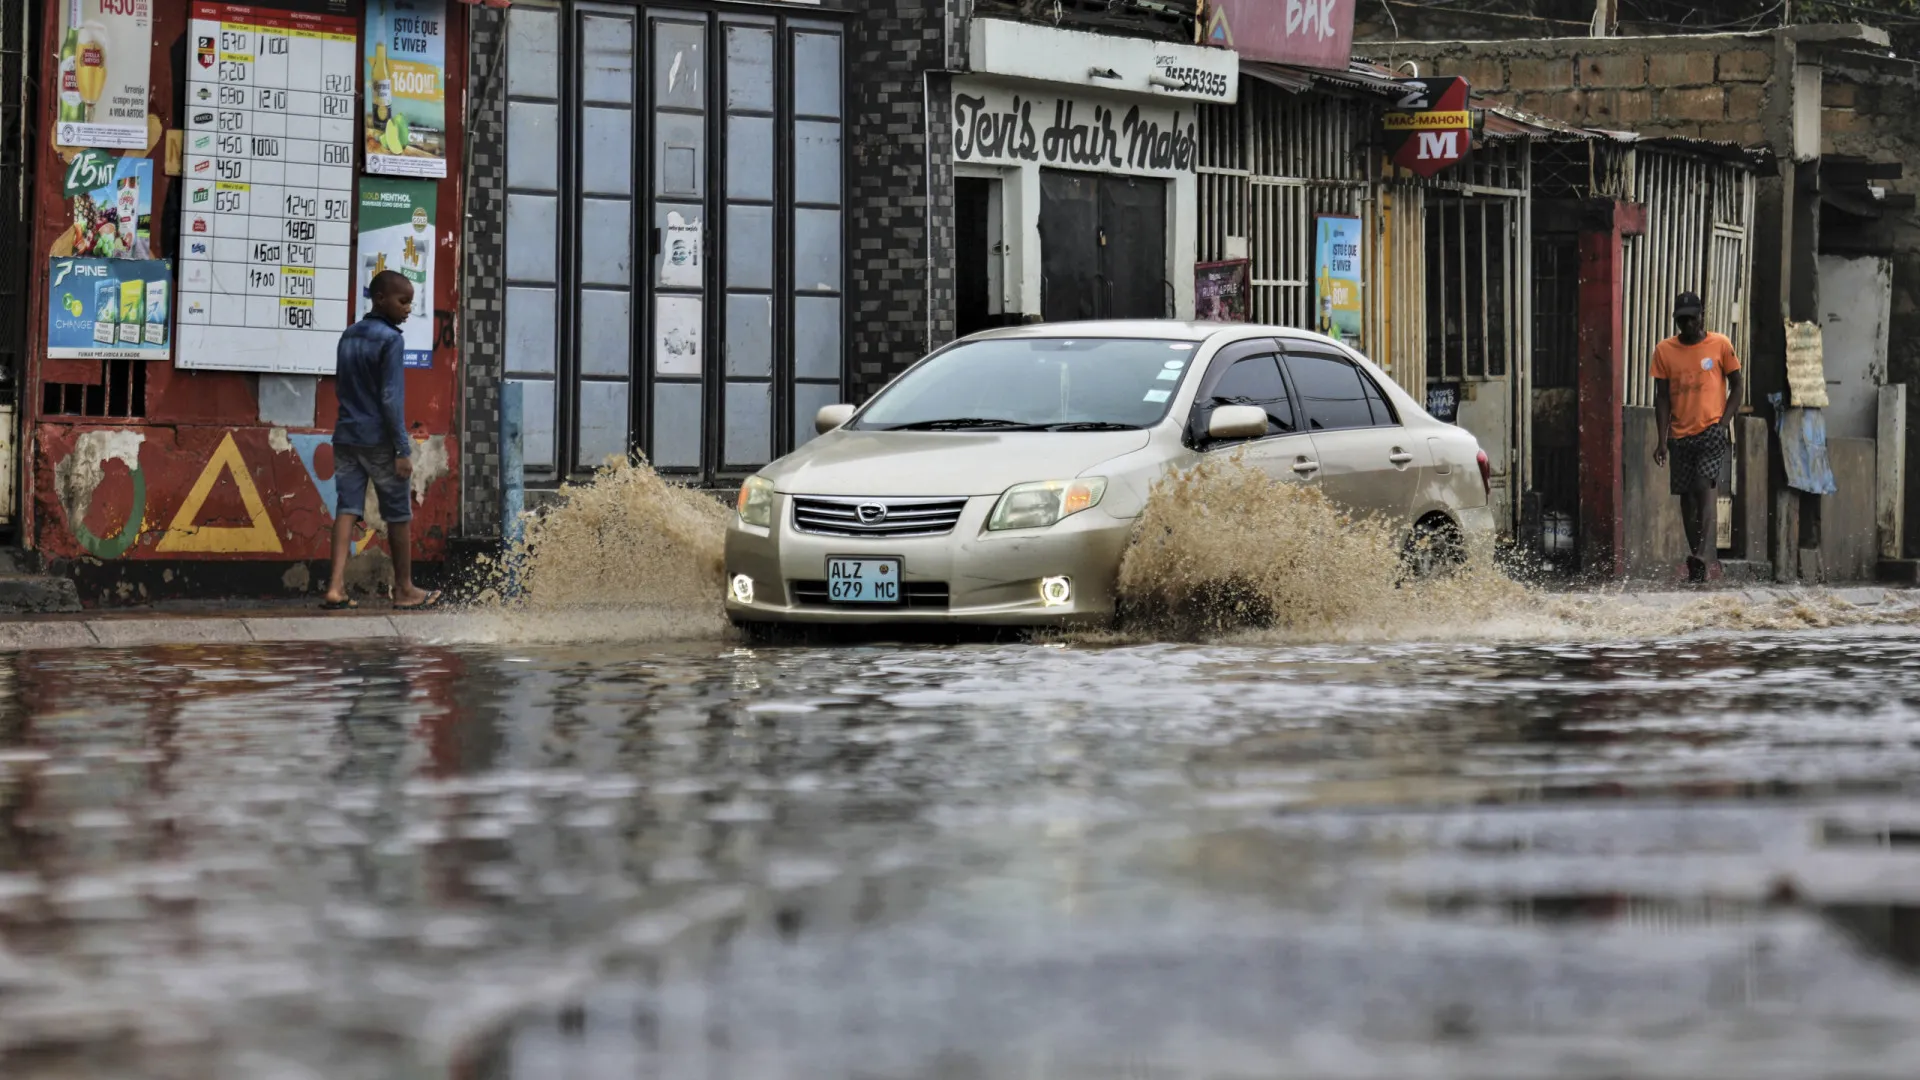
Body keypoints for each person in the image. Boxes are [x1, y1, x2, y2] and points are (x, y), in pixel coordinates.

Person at [322, 270, 441, 610]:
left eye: (410, 303)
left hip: (346, 435)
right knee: (398, 513)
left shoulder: (348, 335)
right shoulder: (391, 340)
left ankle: (334, 588)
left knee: (347, 508)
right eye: (403, 302)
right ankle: (404, 589)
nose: (407, 309)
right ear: (380, 299)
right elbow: (390, 398)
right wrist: (402, 449)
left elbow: (344, 387)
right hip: (378, 439)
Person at [1651, 291, 1743, 585]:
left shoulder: (1720, 345)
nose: (1687, 325)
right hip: (1680, 435)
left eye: (1691, 319)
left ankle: (1704, 554)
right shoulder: (1664, 351)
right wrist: (1661, 439)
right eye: (1681, 321)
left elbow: (1738, 386)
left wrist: (1723, 423)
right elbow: (1662, 397)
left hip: (1711, 431)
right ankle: (1697, 559)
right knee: (1687, 499)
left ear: (1702, 315)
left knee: (1704, 487)